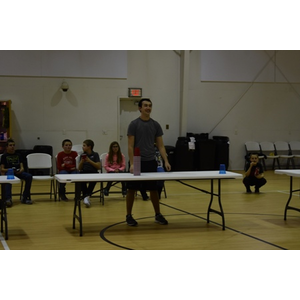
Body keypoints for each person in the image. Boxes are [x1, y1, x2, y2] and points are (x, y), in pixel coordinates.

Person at [126, 98, 171, 226]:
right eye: (145, 105)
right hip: (137, 160)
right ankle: (129, 216)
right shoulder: (134, 124)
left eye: (150, 105)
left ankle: (157, 214)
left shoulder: (155, 125)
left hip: (151, 161)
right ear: (140, 108)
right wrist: (133, 163)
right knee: (131, 189)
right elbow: (130, 146)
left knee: (153, 189)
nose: (148, 108)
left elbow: (161, 146)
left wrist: (166, 161)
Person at [0, 139, 33, 206]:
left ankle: (25, 197)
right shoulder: (4, 156)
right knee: (9, 178)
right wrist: (10, 170)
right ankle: (8, 199)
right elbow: (2, 169)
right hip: (9, 172)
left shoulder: (18, 155)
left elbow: (22, 167)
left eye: (13, 145)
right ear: (7, 147)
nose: (12, 147)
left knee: (29, 176)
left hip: (18, 172)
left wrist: (21, 170)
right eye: (10, 145)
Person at [78, 139, 101, 208]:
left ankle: (85, 196)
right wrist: (82, 162)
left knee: (95, 178)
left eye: (84, 146)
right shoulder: (82, 155)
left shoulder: (95, 154)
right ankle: (86, 196)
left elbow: (98, 167)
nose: (83, 147)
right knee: (80, 178)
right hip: (84, 172)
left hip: (93, 172)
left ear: (89, 147)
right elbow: (79, 168)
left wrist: (89, 160)